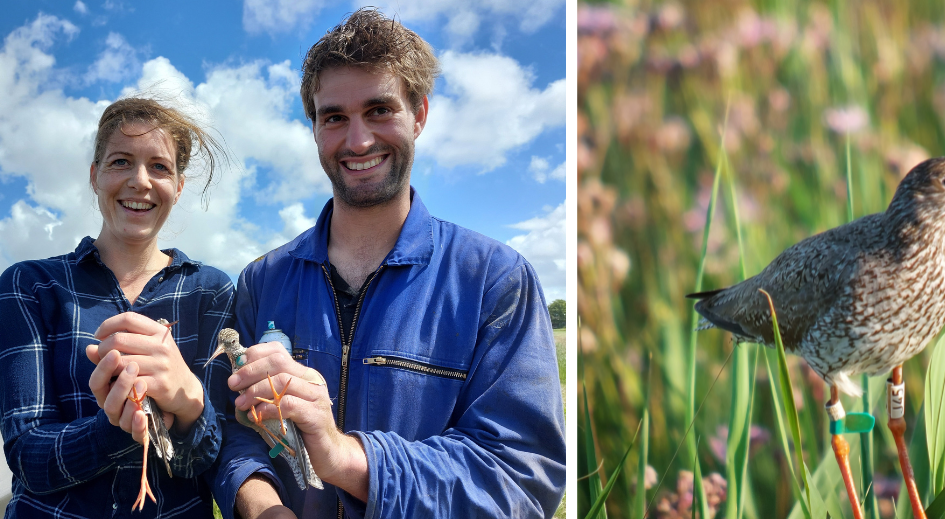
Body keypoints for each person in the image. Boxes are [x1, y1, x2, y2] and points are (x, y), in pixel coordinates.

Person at [222, 8, 566, 518]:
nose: (358, 141)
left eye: (380, 110)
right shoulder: (261, 280)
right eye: (334, 117)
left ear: (419, 114)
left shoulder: (496, 280)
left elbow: (521, 474)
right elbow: (234, 430)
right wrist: (262, 506)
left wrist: (348, 459)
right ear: (314, 127)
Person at [0, 98, 287, 517]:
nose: (140, 181)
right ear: (95, 175)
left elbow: (207, 459)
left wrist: (190, 402)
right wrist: (119, 428)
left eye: (159, 167)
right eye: (120, 162)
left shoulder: (211, 291)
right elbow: (28, 457)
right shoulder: (29, 285)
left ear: (179, 186)